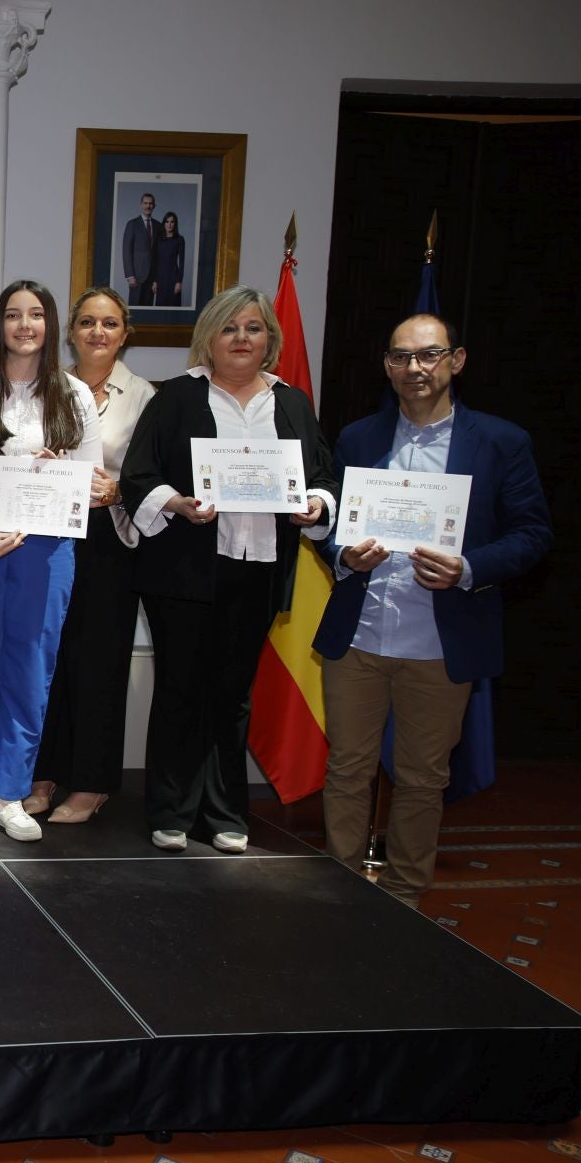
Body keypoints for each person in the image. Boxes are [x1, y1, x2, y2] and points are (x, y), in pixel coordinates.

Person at [315, 314, 552, 908]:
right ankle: (341, 891)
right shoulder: (359, 438)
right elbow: (329, 524)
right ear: (387, 365)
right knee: (347, 769)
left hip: (441, 644)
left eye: (427, 356)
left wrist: (467, 568)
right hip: (361, 635)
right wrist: (344, 554)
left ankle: (404, 899)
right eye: (400, 357)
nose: (413, 369)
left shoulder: (500, 442)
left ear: (457, 360)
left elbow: (532, 533)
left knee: (423, 780)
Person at [120, 286, 338, 852]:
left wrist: (314, 505)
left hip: (258, 569)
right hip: (185, 570)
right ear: (209, 338)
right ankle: (170, 810)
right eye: (229, 328)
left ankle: (223, 813)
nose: (242, 338)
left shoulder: (291, 403)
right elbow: (139, 474)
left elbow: (323, 477)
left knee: (233, 691)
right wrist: (179, 504)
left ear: (270, 339)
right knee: (179, 687)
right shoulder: (177, 398)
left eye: (254, 328)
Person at [0, 280, 102, 845]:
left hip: (47, 545)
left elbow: (91, 480)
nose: (24, 325)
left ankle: (10, 791)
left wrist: (57, 475)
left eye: (35, 315)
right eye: (13, 315)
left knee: (31, 668)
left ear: (50, 325)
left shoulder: (75, 395)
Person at [28, 288, 155, 825]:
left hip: (109, 541)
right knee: (49, 658)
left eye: (109, 323)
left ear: (125, 333)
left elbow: (155, 471)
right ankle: (44, 773)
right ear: (71, 331)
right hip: (51, 534)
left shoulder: (146, 396)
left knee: (99, 662)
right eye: (86, 322)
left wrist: (119, 490)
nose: (97, 332)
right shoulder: (45, 387)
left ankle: (91, 781)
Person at [121, 193, 159, 307]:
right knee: (134, 311)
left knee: (148, 309)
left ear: (154, 206)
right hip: (136, 277)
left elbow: (159, 254)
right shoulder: (132, 224)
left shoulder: (159, 226)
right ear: (141, 205)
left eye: (150, 203)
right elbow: (126, 250)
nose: (148, 206)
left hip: (152, 278)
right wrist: (130, 275)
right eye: (145, 203)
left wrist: (157, 279)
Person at [155, 212, 186, 308]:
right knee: (160, 307)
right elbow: (156, 261)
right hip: (160, 278)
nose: (169, 224)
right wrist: (155, 281)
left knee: (173, 306)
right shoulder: (159, 240)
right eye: (167, 221)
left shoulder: (179, 239)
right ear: (164, 223)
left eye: (172, 222)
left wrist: (179, 282)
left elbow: (181, 262)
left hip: (173, 278)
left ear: (175, 224)